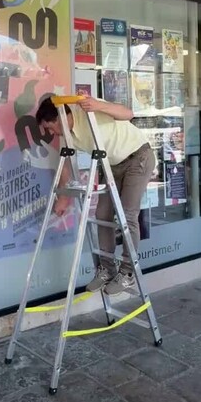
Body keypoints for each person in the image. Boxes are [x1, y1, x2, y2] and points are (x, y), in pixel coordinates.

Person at [35, 95, 155, 295]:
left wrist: (99, 105)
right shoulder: (67, 134)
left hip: (137, 158)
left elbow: (128, 114)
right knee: (102, 215)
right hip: (111, 166)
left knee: (127, 215)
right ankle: (107, 269)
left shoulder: (86, 109)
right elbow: (65, 164)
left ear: (61, 117)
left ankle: (127, 273)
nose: (51, 133)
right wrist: (63, 198)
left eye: (50, 127)